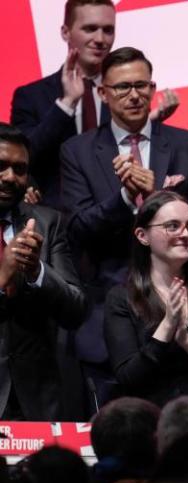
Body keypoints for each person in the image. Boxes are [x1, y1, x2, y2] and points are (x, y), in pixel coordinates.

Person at [61, 47, 188, 410]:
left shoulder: (186, 145)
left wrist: (158, 198)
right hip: (108, 315)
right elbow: (77, 229)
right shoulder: (78, 151)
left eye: (142, 85)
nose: (134, 95)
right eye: (123, 87)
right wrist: (125, 199)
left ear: (153, 87)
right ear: (102, 93)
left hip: (182, 309)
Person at [11, 0, 178, 211]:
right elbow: (23, 157)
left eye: (108, 30)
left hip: (120, 213)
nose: (100, 39)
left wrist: (147, 122)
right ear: (65, 32)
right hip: (56, 220)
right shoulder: (32, 95)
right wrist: (66, 104)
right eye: (90, 29)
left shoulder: (129, 95)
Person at [104, 191, 188, 413]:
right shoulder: (122, 298)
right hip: (150, 424)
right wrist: (166, 328)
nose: (185, 234)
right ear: (142, 235)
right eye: (172, 226)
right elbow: (128, 378)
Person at [0, 123, 85, 420]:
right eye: (1, 166)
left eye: (19, 169)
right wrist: (2, 278)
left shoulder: (47, 223)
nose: (10, 177)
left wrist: (37, 271)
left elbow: (75, 309)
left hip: (34, 399)